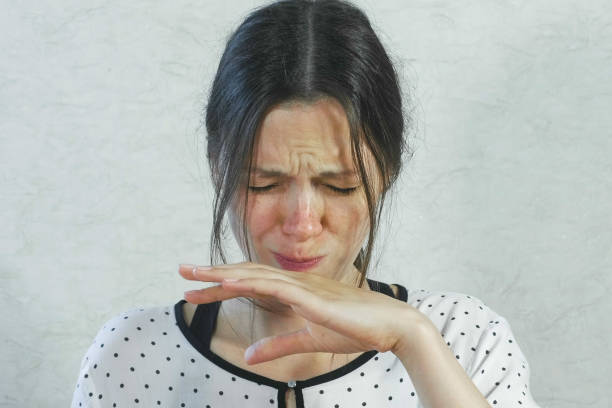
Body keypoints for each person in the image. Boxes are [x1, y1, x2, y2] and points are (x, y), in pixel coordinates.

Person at [71, 0, 541, 407]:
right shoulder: (133, 352)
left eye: (339, 187)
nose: (301, 224)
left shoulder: (464, 337)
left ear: (387, 174)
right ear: (219, 168)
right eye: (263, 184)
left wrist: (414, 342)